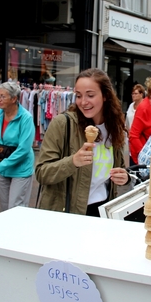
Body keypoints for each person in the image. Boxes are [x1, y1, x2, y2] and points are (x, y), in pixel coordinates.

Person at [35, 68, 130, 217]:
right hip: (67, 213)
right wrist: (73, 161)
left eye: (90, 95)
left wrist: (124, 177)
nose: (83, 102)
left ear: (105, 96)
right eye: (78, 96)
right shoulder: (63, 124)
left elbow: (119, 168)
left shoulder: (114, 127)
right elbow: (42, 173)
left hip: (103, 210)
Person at [0, 81, 35, 211]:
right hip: (2, 168)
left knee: (16, 208)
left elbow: (24, 150)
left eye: (2, 96)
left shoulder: (26, 118)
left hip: (20, 169)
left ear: (14, 98)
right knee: (5, 209)